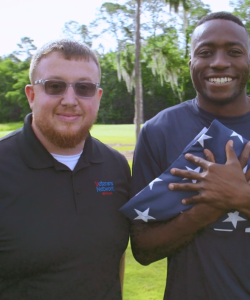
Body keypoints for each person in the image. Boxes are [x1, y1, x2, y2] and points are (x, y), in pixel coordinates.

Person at [130, 12, 250, 300]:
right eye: (205, 52)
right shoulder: (158, 131)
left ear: (249, 61)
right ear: (191, 63)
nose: (219, 62)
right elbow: (143, 249)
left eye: (234, 52)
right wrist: (208, 208)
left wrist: (246, 200)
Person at [0, 39, 130, 299]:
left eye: (84, 88)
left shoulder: (115, 166)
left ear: (98, 97)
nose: (70, 100)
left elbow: (114, 257)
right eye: (55, 86)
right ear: (31, 95)